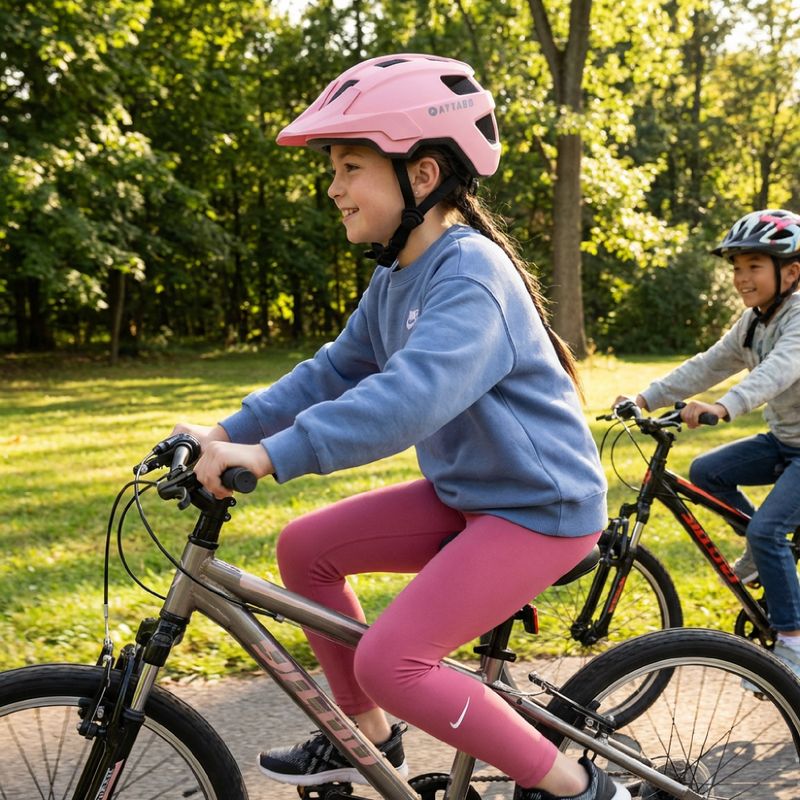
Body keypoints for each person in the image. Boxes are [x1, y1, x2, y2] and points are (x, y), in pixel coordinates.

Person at [175, 54, 623, 800]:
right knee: (305, 548)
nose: (334, 187)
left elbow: (408, 398)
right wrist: (222, 428)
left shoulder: (471, 273)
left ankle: (580, 789)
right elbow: (331, 371)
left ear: (420, 176)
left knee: (395, 660)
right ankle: (365, 740)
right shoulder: (395, 276)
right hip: (471, 493)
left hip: (541, 511)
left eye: (351, 166)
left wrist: (272, 454)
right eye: (333, 168)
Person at [615, 208, 800, 679]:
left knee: (766, 531)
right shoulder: (755, 320)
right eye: (736, 267)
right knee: (705, 473)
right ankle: (765, 554)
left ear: (791, 271)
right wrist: (644, 397)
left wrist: (723, 407)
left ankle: (793, 646)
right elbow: (709, 364)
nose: (741, 278)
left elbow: (778, 374)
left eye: (754, 266)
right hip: (785, 441)